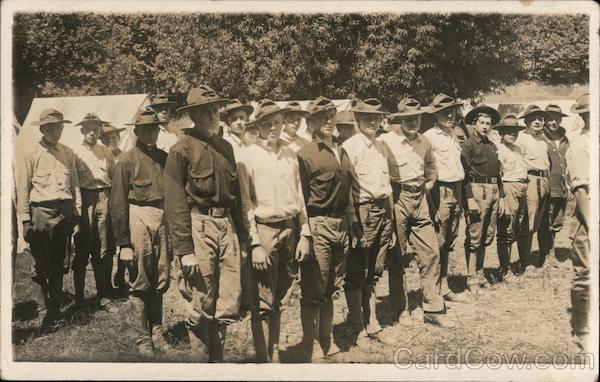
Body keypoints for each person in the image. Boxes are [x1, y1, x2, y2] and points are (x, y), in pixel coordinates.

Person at [164, 86, 242, 362]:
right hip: (199, 226)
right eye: (205, 111)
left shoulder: (227, 148)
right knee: (201, 300)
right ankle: (201, 367)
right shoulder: (180, 150)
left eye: (215, 109)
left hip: (226, 226)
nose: (212, 115)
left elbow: (237, 197)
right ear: (193, 116)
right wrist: (185, 250)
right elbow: (175, 204)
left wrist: (243, 239)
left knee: (227, 302)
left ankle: (217, 364)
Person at [238, 99, 312, 362]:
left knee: (282, 295)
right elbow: (246, 203)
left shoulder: (291, 154)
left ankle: (276, 350)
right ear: (257, 127)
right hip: (265, 229)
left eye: (277, 123)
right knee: (262, 298)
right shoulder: (247, 157)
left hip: (290, 230)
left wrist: (305, 233)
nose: (273, 128)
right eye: (266, 124)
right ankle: (262, 357)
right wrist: (255, 243)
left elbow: (300, 195)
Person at [380, 97, 455, 328]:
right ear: (400, 119)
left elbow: (432, 167)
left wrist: (428, 185)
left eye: (416, 118)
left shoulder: (424, 142)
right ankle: (400, 310)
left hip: (420, 196)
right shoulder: (386, 141)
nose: (413, 122)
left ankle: (432, 308)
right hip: (397, 197)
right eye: (408, 119)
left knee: (431, 252)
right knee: (398, 256)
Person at [110, 109, 171, 357]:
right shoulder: (126, 160)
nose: (150, 133)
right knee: (140, 280)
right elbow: (117, 204)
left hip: (162, 218)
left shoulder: (165, 158)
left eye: (154, 128)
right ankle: (142, 338)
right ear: (136, 132)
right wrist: (124, 243)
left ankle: (158, 332)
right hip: (138, 218)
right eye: (145, 129)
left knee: (161, 278)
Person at [296, 97, 353, 360]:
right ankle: (311, 344)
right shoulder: (305, 155)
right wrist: (305, 234)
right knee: (313, 289)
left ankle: (327, 340)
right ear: (311, 124)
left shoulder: (342, 151)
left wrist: (350, 226)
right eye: (321, 118)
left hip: (340, 224)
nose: (329, 121)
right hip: (318, 225)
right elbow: (301, 199)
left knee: (331, 288)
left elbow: (348, 192)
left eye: (331, 115)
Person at [15, 108, 81, 332]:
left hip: (65, 211)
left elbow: (74, 185)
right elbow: (22, 189)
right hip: (41, 213)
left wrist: (76, 213)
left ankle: (55, 310)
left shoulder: (68, 153)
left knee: (61, 263)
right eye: (51, 127)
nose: (56, 131)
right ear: (42, 129)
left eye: (59, 127)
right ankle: (43, 311)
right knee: (41, 264)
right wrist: (25, 220)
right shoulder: (31, 154)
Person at [341, 98, 394, 347]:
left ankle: (372, 320)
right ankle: (357, 325)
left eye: (376, 117)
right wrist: (354, 224)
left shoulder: (382, 145)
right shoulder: (350, 147)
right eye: (367, 118)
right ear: (357, 120)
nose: (372, 121)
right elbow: (348, 190)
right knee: (356, 271)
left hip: (382, 210)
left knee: (374, 270)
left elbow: (388, 186)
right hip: (362, 212)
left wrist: (390, 218)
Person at [423, 93, 469, 302]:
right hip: (440, 190)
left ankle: (444, 286)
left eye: (452, 111)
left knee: (450, 238)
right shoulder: (429, 137)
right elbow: (426, 167)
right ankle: (433, 290)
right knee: (437, 240)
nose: (449, 115)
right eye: (444, 112)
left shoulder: (454, 134)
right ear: (435, 115)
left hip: (456, 189)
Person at [72, 113, 117, 309]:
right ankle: (79, 298)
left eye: (96, 129)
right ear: (82, 130)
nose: (92, 132)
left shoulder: (106, 152)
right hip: (84, 198)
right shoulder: (74, 152)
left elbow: (114, 178)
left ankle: (103, 295)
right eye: (89, 129)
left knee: (103, 248)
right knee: (83, 246)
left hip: (103, 198)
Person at [461, 105, 504, 291]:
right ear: (474, 124)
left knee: (487, 234)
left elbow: (497, 173)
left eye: (488, 123)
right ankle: (471, 277)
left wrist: (501, 196)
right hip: (477, 191)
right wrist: (469, 198)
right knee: (475, 235)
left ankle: (480, 272)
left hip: (493, 191)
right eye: (482, 122)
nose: (485, 126)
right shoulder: (468, 145)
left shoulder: (492, 145)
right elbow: (463, 175)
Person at [565, 93, 590, 351]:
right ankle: (582, 330)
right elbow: (581, 190)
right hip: (588, 217)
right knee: (585, 274)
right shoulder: (580, 147)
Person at [515, 105, 550, 274]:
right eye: (534, 119)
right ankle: (525, 262)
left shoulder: (543, 138)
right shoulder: (522, 138)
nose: (537, 122)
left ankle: (542, 258)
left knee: (540, 222)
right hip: (530, 179)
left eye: (540, 119)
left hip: (544, 180)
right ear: (526, 121)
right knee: (528, 222)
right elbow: (518, 161)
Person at [494, 115, 528, 283]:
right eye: (508, 131)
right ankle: (504, 270)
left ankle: (509, 266)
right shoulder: (499, 149)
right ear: (501, 132)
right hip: (508, 188)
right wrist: (501, 196)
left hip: (521, 188)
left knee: (516, 228)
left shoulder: (517, 148)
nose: (512, 134)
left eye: (515, 131)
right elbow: (498, 175)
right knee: (506, 229)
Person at [538, 104, 570, 267]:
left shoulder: (564, 138)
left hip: (563, 187)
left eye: (556, 118)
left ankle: (552, 252)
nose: (553, 122)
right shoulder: (541, 137)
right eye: (550, 119)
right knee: (545, 222)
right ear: (545, 120)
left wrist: (569, 185)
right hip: (549, 187)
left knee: (557, 220)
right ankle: (545, 256)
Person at [100, 122, 127, 290]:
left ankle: (121, 275)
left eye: (114, 137)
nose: (111, 140)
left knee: (125, 239)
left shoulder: (126, 156)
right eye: (107, 138)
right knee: (109, 242)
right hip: (108, 201)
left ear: (119, 138)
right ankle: (106, 283)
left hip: (124, 202)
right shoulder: (102, 157)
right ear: (102, 141)